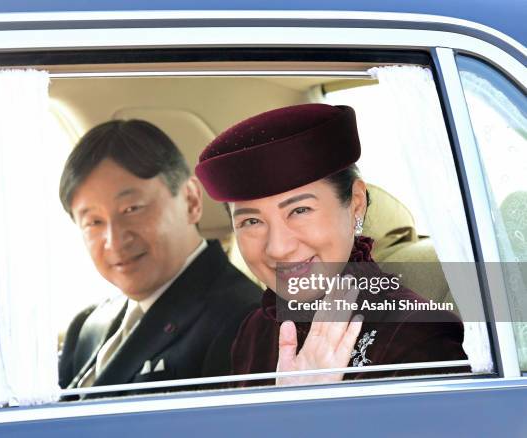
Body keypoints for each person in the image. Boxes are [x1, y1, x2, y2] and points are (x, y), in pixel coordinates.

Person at [195, 103, 469, 387]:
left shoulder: (420, 336)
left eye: (300, 210)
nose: (278, 248)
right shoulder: (254, 331)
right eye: (251, 222)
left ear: (356, 205)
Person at [57, 119, 261, 395]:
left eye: (132, 208)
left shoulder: (246, 323)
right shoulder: (87, 326)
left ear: (191, 200)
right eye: (93, 222)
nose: (114, 241)